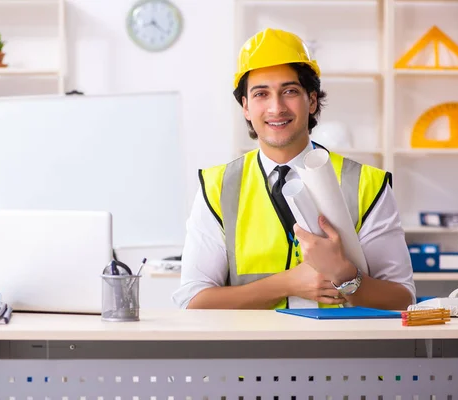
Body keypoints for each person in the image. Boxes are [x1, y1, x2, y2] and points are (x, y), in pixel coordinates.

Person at [172, 28, 416, 311]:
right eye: (261, 94)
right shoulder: (217, 187)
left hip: (342, 352)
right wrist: (288, 284)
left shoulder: (366, 184)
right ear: (246, 107)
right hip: (249, 353)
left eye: (289, 91)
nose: (276, 107)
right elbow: (193, 302)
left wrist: (344, 275)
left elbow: (402, 299)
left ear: (312, 101)